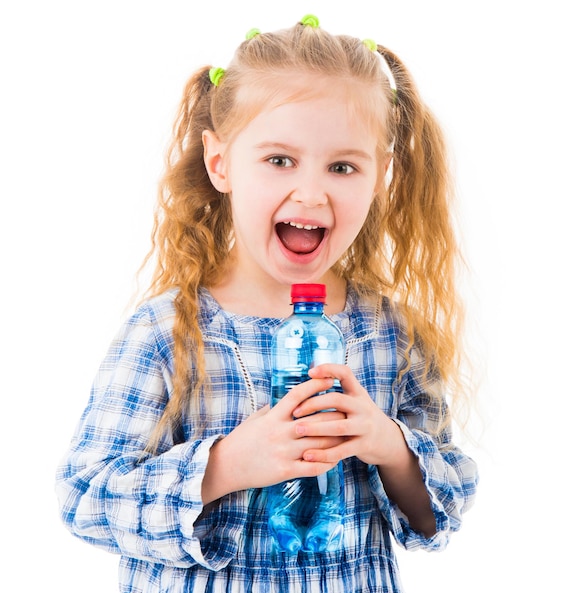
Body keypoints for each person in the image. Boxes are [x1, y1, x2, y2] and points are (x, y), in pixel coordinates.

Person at [56, 14, 479, 593]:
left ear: (382, 175)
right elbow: (84, 497)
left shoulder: (393, 335)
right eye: (279, 160)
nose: (311, 191)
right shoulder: (167, 332)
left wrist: (391, 447)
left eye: (343, 166)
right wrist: (226, 465)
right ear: (219, 162)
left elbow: (442, 510)